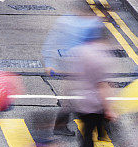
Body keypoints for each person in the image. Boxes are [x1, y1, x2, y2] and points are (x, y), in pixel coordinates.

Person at [42, 0, 103, 136]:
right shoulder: (89, 22)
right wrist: (50, 62)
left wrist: (49, 62)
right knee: (81, 95)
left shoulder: (73, 22)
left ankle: (99, 126)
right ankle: (62, 126)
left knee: (86, 94)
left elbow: (51, 42)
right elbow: (52, 42)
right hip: (75, 66)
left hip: (82, 64)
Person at [70, 27, 116, 147]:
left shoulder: (81, 51)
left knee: (87, 135)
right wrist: (109, 109)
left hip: (80, 100)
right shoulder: (101, 58)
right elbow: (102, 86)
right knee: (99, 135)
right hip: (94, 104)